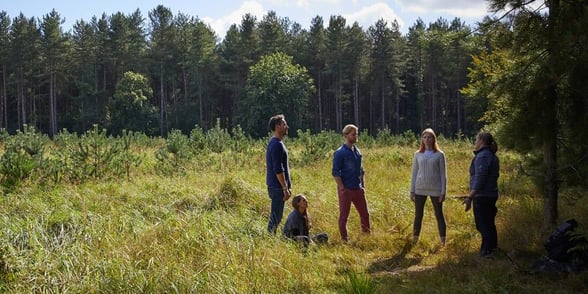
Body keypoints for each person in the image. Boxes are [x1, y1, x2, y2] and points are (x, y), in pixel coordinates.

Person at [463, 131, 500, 258]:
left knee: (482, 224)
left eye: (476, 139)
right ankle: (492, 249)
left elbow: (481, 178)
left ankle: (486, 251)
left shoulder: (483, 156)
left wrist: (470, 197)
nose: (475, 142)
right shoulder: (491, 155)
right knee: (489, 223)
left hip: (483, 195)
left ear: (481, 141)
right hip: (491, 194)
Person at [332, 124, 371, 242]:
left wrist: (362, 185)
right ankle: (344, 239)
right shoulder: (340, 153)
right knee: (344, 216)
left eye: (356, 134)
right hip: (346, 189)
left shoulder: (357, 152)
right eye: (353, 134)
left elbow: (361, 170)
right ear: (346, 135)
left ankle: (366, 237)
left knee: (365, 214)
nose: (356, 136)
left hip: (357, 188)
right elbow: (335, 172)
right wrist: (342, 187)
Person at [409, 128, 447, 245]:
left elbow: (443, 174)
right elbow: (414, 173)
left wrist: (443, 192)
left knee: (439, 214)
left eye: (429, 137)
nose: (427, 139)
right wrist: (412, 191)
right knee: (418, 215)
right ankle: (415, 239)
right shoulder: (417, 154)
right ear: (422, 139)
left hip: (436, 189)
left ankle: (443, 241)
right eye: (424, 137)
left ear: (433, 139)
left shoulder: (440, 155)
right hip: (420, 188)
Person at [266, 114, 291, 234]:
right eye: (284, 124)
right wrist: (285, 188)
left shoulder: (275, 143)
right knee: (276, 217)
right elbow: (278, 169)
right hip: (277, 187)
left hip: (276, 187)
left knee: (277, 216)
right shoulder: (276, 145)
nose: (287, 126)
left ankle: (271, 237)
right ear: (277, 127)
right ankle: (270, 239)